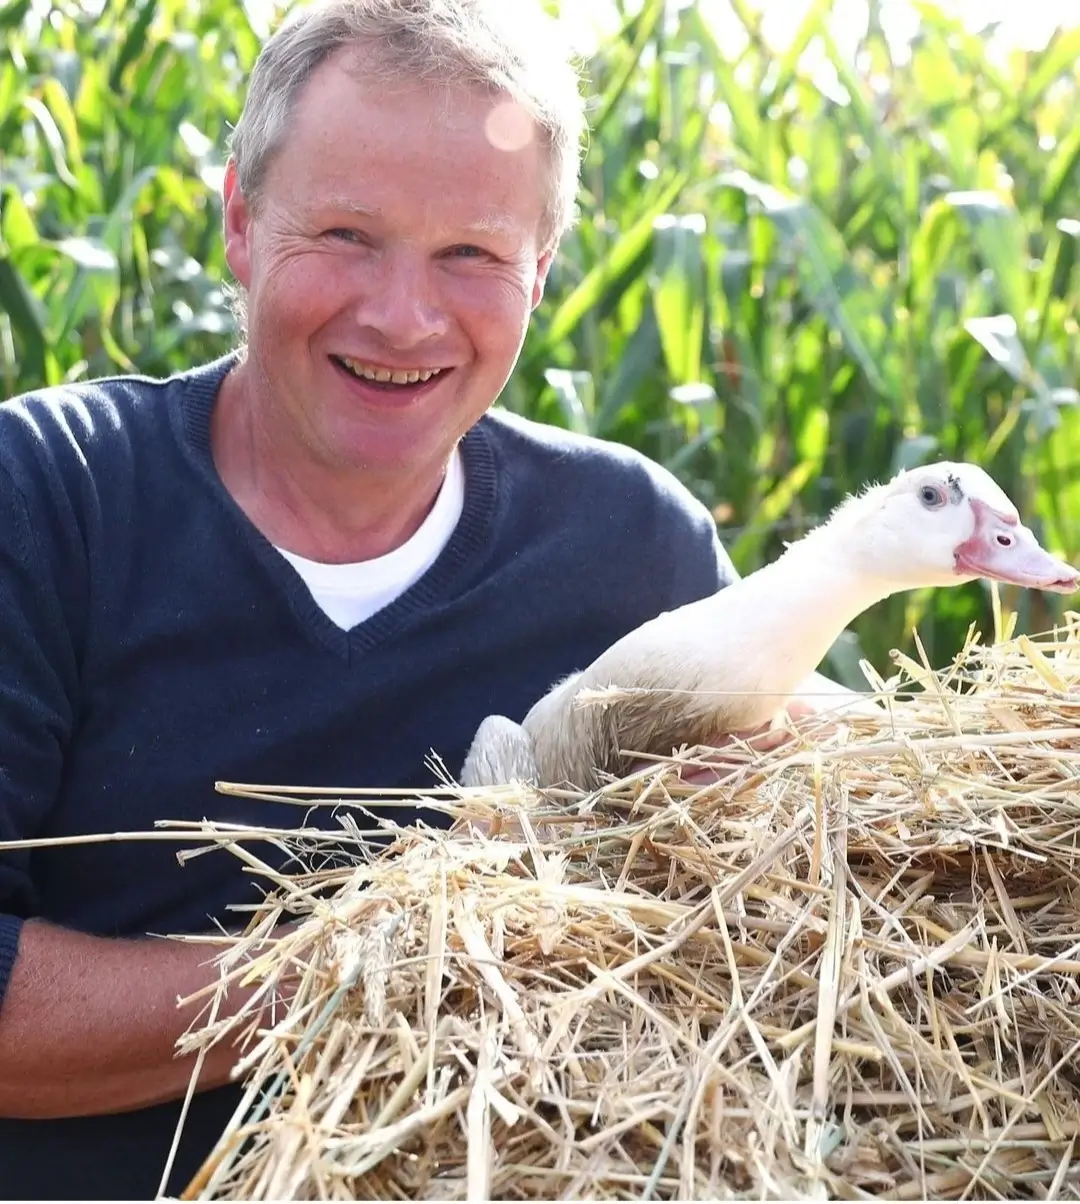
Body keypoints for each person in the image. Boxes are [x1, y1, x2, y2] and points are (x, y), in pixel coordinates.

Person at [0, 0, 850, 1198]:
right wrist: (387, 956)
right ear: (239, 225)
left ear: (540, 271)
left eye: (471, 255)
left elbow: (804, 900)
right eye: (346, 233)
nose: (402, 317)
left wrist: (771, 809)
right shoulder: (48, 496)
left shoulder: (632, 547)